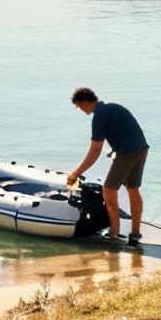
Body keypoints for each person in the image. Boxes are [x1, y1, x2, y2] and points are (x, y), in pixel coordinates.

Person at [64, 86, 149, 246]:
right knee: (132, 189)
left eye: (79, 106)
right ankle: (135, 234)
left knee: (108, 190)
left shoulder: (99, 116)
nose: (81, 110)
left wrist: (76, 173)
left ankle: (114, 232)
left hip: (128, 153)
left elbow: (95, 150)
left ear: (84, 102)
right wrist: (114, 149)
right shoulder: (112, 107)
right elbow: (126, 129)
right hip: (141, 149)